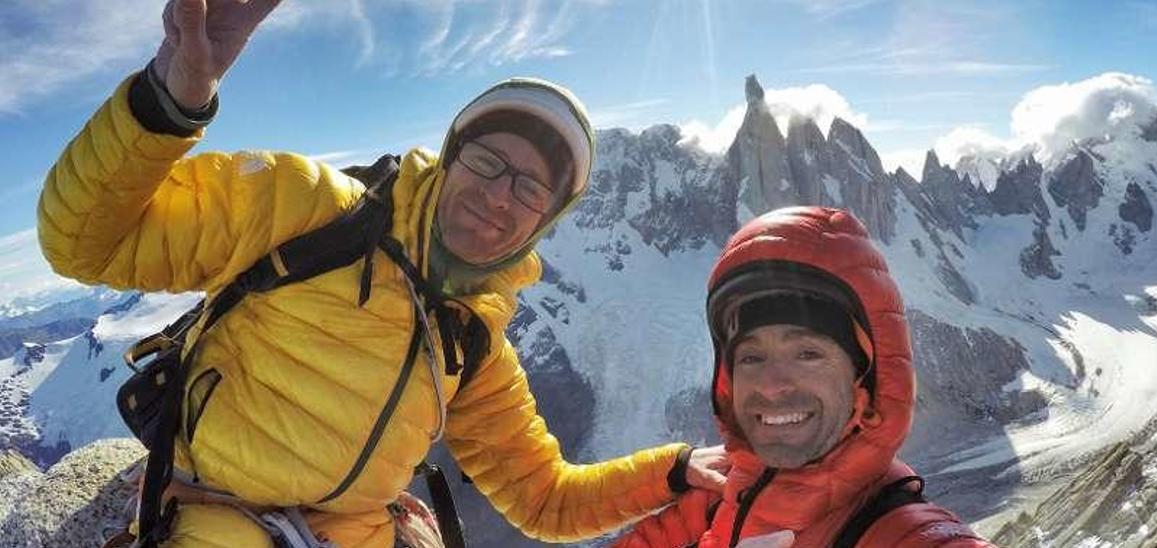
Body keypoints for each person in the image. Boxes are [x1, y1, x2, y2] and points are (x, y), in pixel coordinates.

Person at [37, 0, 726, 546]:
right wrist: (168, 102)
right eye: (487, 163)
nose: (497, 197)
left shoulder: (473, 338)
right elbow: (84, 245)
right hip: (214, 510)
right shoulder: (308, 208)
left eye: (529, 189)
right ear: (451, 158)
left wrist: (669, 472)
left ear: (543, 222)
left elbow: (542, 499)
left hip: (355, 533)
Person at [613, 207, 994, 548]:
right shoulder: (717, 498)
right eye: (751, 357)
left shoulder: (899, 533)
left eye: (808, 354)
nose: (771, 384)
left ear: (864, 377)